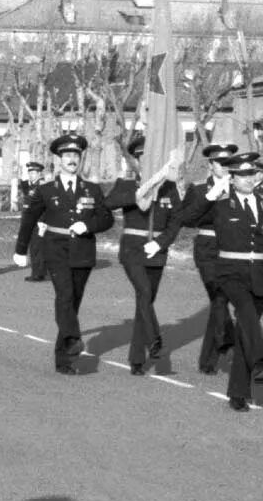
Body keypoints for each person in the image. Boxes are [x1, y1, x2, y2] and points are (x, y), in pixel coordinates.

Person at [180, 155, 263, 411]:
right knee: (247, 315)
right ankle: (260, 355)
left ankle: (238, 393)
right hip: (230, 274)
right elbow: (187, 219)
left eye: (252, 175)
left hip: (260, 274)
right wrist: (210, 195)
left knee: (244, 334)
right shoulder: (220, 205)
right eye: (242, 176)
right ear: (232, 179)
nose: (249, 179)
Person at [12, 134, 114, 376]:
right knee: (65, 297)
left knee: (72, 305)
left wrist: (88, 226)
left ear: (80, 160)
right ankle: (73, 338)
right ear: (58, 160)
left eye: (75, 156)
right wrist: (20, 249)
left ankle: (63, 360)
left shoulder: (92, 189)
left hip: (83, 252)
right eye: (67, 155)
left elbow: (107, 218)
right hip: (56, 250)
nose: (71, 160)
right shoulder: (46, 190)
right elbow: (28, 220)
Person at [102, 135, 184, 376]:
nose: (144, 162)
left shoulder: (169, 188)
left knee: (144, 303)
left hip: (157, 252)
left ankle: (136, 359)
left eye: (150, 158)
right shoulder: (126, 184)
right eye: (140, 158)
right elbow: (108, 203)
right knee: (144, 293)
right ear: (135, 161)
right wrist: (141, 189)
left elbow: (176, 220)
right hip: (133, 251)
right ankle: (155, 340)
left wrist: (160, 243)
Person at [179, 142, 238, 374]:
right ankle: (230, 343)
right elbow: (186, 218)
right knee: (219, 294)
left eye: (228, 162)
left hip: (233, 248)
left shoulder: (240, 188)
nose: (224, 167)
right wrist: (210, 198)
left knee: (219, 302)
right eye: (219, 162)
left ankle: (208, 361)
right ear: (211, 165)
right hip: (208, 247)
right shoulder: (199, 189)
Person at [17, 160, 50, 282]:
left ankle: (39, 274)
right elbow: (27, 193)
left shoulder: (42, 187)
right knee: (33, 247)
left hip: (38, 222)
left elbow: (46, 206)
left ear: (40, 174)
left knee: (38, 248)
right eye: (30, 173)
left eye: (34, 173)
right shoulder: (33, 186)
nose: (31, 175)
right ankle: (37, 272)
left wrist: (43, 222)